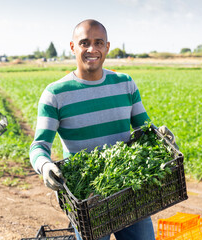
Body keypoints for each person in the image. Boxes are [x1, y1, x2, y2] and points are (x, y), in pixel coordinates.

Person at [29, 19, 177, 240]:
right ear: (72, 47)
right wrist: (45, 166)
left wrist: (161, 137)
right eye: (84, 43)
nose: (92, 49)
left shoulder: (125, 84)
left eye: (99, 43)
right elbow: (38, 146)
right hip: (87, 199)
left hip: (130, 190)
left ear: (107, 47)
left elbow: (145, 129)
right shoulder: (55, 94)